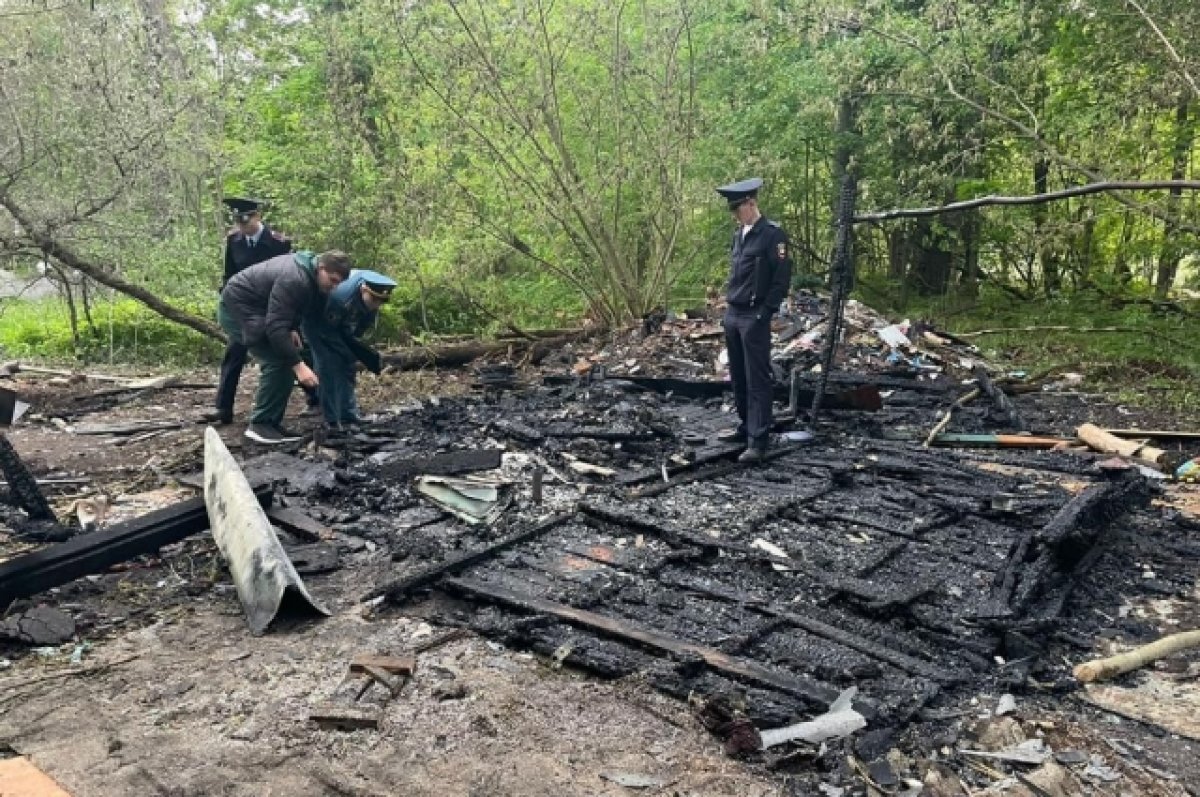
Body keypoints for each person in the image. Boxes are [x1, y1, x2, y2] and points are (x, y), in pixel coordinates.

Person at [217, 250, 352, 444]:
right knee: (279, 361)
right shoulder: (295, 279)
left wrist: (292, 327)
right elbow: (275, 326)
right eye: (333, 280)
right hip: (238, 309)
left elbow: (291, 308)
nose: (334, 286)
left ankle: (273, 423)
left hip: (265, 310)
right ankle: (261, 424)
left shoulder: (312, 276)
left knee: (290, 352)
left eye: (339, 283)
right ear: (321, 268)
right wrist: (298, 365)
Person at [714, 177, 792, 463]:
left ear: (751, 203)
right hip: (734, 313)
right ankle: (746, 426)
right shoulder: (740, 235)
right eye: (733, 211)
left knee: (757, 377)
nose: (736, 215)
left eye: (738, 209)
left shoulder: (773, 235)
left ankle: (759, 440)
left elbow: (781, 279)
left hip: (755, 313)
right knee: (738, 374)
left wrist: (766, 312)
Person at [206, 197, 294, 425]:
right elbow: (230, 275)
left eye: (246, 221)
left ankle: (315, 396)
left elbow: (287, 278)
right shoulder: (234, 241)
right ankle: (223, 408)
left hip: (271, 307)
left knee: (287, 352)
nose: (242, 227)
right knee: (234, 354)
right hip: (244, 309)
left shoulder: (278, 242)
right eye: (238, 223)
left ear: (257, 217)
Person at [302, 269, 395, 436]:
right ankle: (331, 420)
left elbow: (357, 329)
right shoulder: (340, 296)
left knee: (348, 366)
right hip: (317, 325)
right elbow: (329, 330)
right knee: (329, 368)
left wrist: (354, 350)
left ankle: (349, 416)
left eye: (380, 301)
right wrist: (344, 351)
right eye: (373, 299)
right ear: (363, 289)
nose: (376, 304)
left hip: (339, 326)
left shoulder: (372, 301)